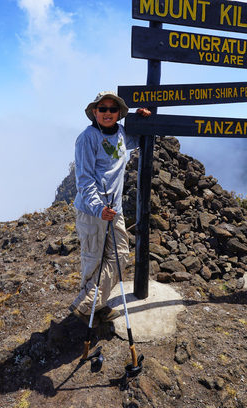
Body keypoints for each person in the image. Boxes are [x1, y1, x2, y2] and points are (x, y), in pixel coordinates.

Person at [69, 91, 150, 327]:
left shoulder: (122, 133)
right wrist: (97, 208)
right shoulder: (88, 137)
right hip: (92, 211)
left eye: (112, 109)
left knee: (120, 256)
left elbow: (142, 137)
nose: (107, 113)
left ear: (119, 113)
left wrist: (143, 117)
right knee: (93, 259)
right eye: (102, 108)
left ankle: (88, 305)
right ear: (94, 112)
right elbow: (83, 179)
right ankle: (94, 308)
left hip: (114, 210)